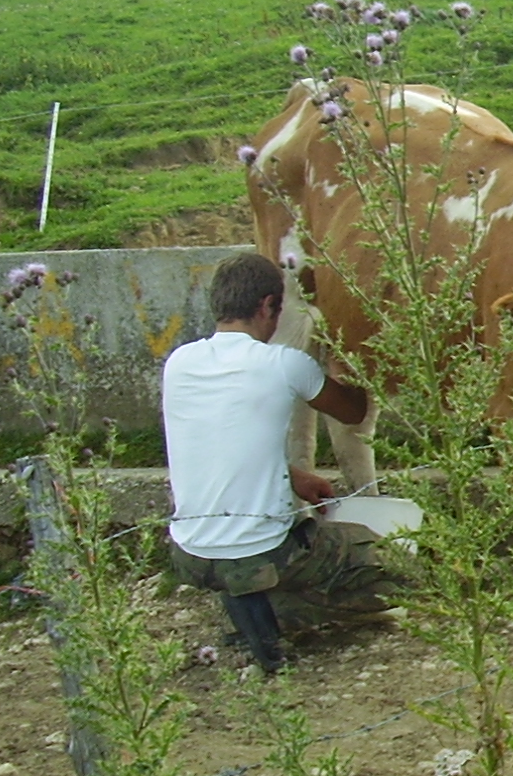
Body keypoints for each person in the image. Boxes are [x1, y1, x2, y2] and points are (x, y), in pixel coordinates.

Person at [162, 252, 401, 672]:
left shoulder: (179, 362)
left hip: (190, 553)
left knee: (243, 561)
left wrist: (293, 477)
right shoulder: (284, 364)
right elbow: (352, 412)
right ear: (268, 306)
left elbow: (221, 441)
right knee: (396, 568)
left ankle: (252, 608)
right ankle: (287, 614)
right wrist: (344, 358)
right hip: (265, 551)